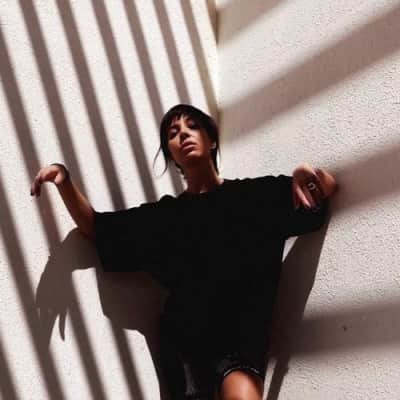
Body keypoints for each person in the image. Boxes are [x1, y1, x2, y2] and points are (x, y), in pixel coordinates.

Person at [30, 104, 337, 400]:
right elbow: (98, 228)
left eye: (193, 126)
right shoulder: (165, 218)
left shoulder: (255, 197)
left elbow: (324, 189)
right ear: (171, 154)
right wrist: (64, 180)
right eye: (173, 133)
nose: (184, 134)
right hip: (185, 343)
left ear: (212, 140)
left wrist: (308, 175)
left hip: (242, 337)